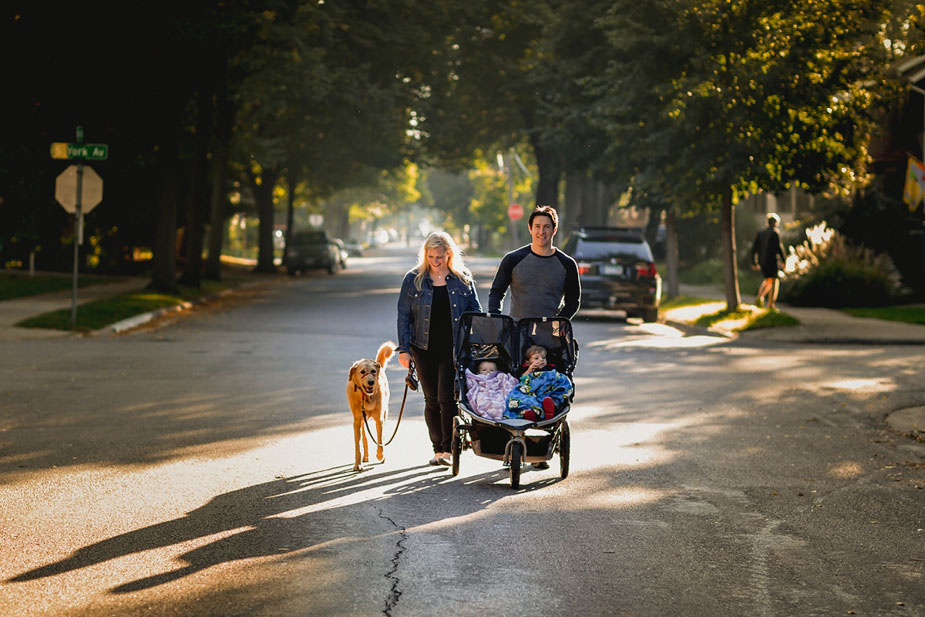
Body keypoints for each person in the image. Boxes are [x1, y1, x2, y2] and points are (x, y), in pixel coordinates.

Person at [397, 232, 482, 466]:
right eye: (431, 256)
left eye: (440, 257)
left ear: (449, 254)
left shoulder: (462, 279)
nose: (436, 261)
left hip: (452, 349)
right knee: (431, 399)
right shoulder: (413, 279)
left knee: (447, 398)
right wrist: (404, 350)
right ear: (425, 255)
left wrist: (477, 344)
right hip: (422, 348)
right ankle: (437, 450)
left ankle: (449, 449)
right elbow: (404, 316)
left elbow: (475, 312)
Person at [488, 205, 581, 321]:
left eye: (546, 227)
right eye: (537, 226)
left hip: (550, 333)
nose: (541, 232)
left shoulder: (567, 264)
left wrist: (561, 321)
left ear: (554, 230)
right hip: (517, 331)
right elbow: (497, 292)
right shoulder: (512, 259)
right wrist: (495, 317)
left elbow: (573, 301)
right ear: (530, 228)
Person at [505, 345, 573, 422]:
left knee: (554, 395)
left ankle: (550, 410)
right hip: (532, 392)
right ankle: (531, 413)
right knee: (523, 397)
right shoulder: (526, 369)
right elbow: (521, 380)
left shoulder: (550, 368)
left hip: (547, 391)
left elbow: (556, 377)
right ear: (527, 363)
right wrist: (529, 371)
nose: (541, 360)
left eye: (543, 358)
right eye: (536, 358)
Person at [751, 213, 786, 309]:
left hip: (763, 261)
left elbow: (754, 248)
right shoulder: (775, 233)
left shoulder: (760, 233)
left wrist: (754, 262)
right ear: (775, 223)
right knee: (774, 281)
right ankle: (771, 304)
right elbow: (779, 248)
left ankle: (759, 298)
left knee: (768, 280)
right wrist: (784, 261)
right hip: (772, 261)